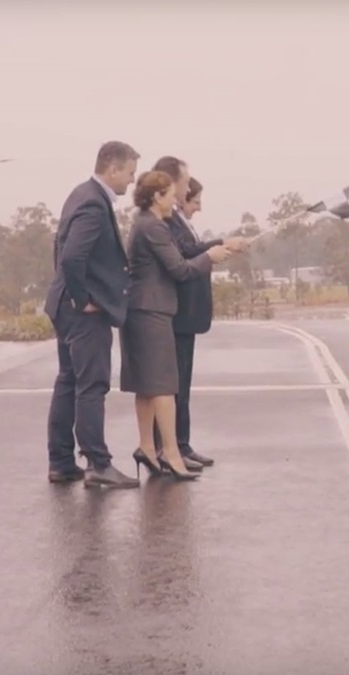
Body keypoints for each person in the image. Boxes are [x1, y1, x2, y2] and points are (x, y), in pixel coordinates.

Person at [120, 169, 231, 480]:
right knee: (165, 386)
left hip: (140, 309)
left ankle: (146, 446)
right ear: (157, 197)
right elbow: (180, 269)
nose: (176, 201)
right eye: (171, 195)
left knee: (144, 387)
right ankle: (170, 452)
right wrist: (211, 256)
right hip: (152, 311)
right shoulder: (154, 227)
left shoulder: (143, 223)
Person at [44, 141, 142, 488]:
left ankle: (61, 462)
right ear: (112, 168)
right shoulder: (93, 203)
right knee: (91, 385)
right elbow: (71, 257)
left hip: (63, 306)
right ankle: (98, 466)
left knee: (69, 381)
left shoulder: (80, 194)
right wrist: (81, 298)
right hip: (82, 312)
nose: (131, 182)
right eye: (129, 173)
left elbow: (60, 249)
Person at [151, 156, 249, 467]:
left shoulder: (179, 221)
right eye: (186, 184)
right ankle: (169, 446)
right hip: (176, 313)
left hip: (187, 315)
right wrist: (218, 247)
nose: (198, 206)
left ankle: (181, 443)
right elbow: (185, 254)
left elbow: (192, 250)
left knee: (183, 384)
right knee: (172, 385)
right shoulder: (164, 220)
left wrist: (219, 249)